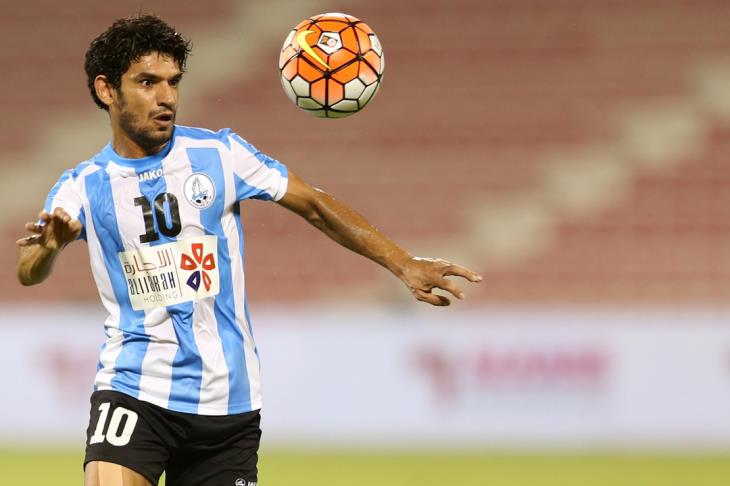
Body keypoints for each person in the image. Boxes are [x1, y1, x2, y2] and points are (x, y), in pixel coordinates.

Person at [16, 14, 482, 486]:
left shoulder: (220, 154)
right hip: (134, 386)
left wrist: (403, 263)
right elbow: (27, 269)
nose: (167, 97)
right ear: (107, 90)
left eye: (173, 82)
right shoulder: (83, 184)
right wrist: (49, 248)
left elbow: (314, 204)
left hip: (228, 402)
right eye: (147, 82)